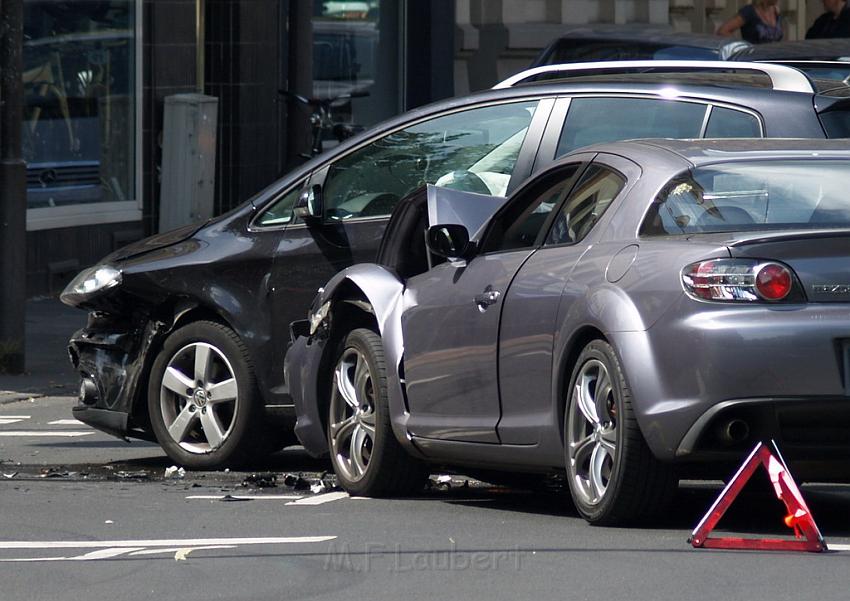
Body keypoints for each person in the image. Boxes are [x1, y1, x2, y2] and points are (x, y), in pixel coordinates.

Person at [717, 0, 783, 44]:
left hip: (773, 59)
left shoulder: (776, 11)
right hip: (755, 59)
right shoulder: (749, 12)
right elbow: (723, 31)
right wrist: (742, 45)